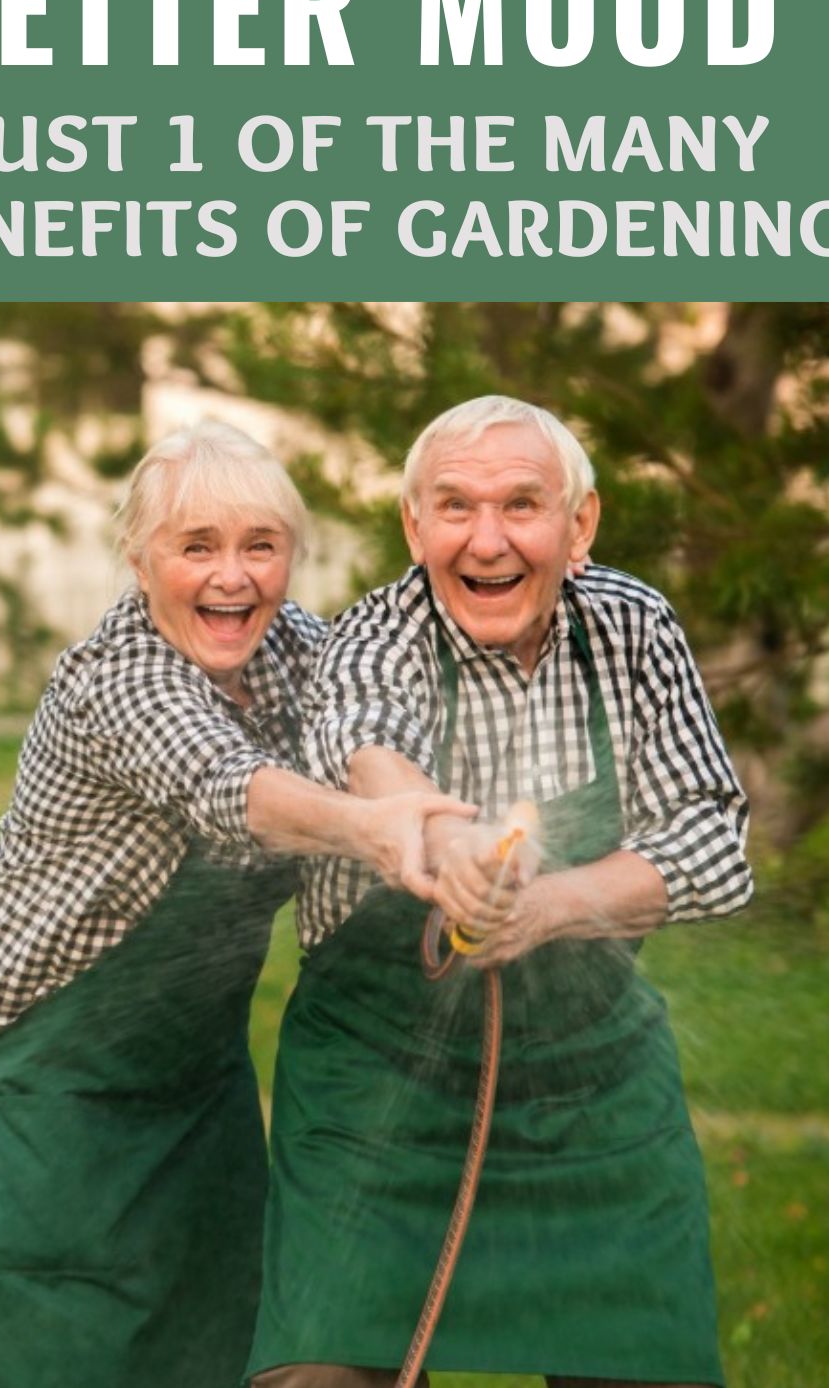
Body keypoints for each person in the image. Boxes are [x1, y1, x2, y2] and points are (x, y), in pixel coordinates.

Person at [0, 422, 482, 1388]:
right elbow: (232, 787)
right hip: (38, 1060)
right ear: (142, 561)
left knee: (226, 1319)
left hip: (192, 1056)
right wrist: (370, 825)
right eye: (198, 547)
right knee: (72, 1334)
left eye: (260, 546)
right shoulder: (118, 678)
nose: (234, 577)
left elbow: (372, 710)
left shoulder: (304, 653)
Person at [247, 396, 754, 1388]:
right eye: (454, 507)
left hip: (594, 1088)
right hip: (376, 1091)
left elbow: (712, 834)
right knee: (321, 1376)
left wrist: (553, 903)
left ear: (580, 525)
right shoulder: (372, 637)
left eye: (521, 505)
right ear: (413, 525)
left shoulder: (631, 629)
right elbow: (372, 751)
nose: (486, 541)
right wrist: (450, 843)